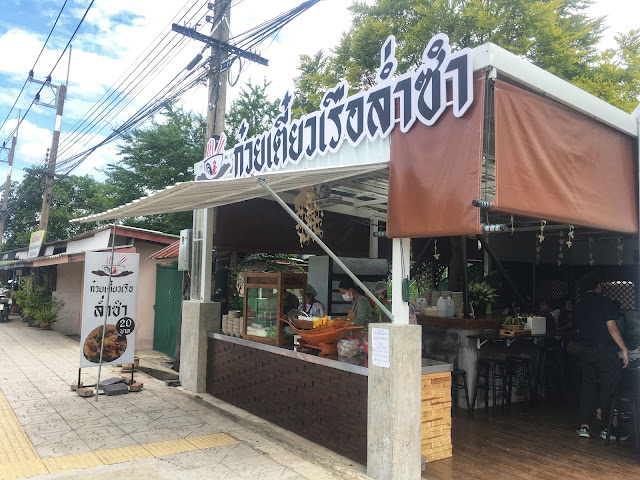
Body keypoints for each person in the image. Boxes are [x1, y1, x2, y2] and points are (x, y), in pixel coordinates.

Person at [574, 272, 629, 440]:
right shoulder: (605, 302)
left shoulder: (579, 304)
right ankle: (607, 429)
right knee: (608, 388)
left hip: (584, 349)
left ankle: (584, 427)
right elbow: (612, 328)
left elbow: (577, 328)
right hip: (604, 350)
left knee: (587, 387)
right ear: (598, 285)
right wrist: (624, 349)